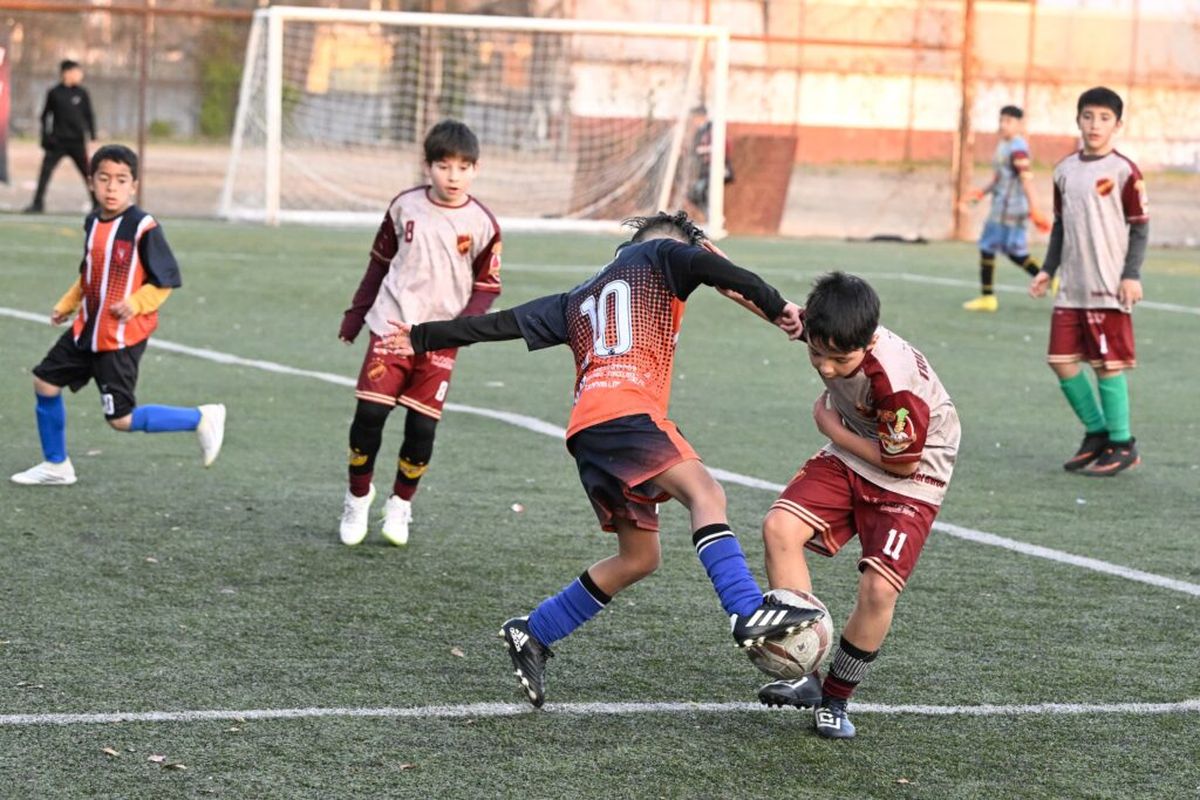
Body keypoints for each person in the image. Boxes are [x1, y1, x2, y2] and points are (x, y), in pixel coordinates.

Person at [380, 210, 824, 708]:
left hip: (588, 431)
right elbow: (717, 270)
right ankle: (746, 611)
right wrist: (778, 305)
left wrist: (421, 336)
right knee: (706, 494)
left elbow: (501, 324)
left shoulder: (576, 298)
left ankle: (535, 631)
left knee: (639, 557)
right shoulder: (663, 254)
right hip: (627, 414)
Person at [754, 272, 960, 740]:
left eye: (839, 359)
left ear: (868, 343)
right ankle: (804, 673)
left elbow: (901, 464)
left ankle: (835, 699)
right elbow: (774, 310)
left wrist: (830, 427)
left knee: (879, 590)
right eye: (816, 353)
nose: (826, 368)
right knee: (780, 527)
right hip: (857, 447)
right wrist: (710, 268)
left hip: (914, 472)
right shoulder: (828, 329)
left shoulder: (896, 384)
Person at [11, 144, 225, 486]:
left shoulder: (143, 227)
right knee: (45, 383)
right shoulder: (93, 221)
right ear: (91, 182)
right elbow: (89, 272)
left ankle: (200, 417)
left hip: (120, 338)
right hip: (86, 329)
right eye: (104, 179)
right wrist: (67, 303)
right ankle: (56, 465)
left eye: (121, 180)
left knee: (121, 419)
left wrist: (136, 303)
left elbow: (165, 281)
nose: (112, 187)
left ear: (134, 186)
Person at [336, 119, 502, 547]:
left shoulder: (483, 223)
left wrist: (462, 328)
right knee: (370, 415)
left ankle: (400, 504)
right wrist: (356, 315)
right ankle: (357, 498)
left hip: (439, 337)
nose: (453, 176)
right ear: (428, 167)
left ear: (476, 169)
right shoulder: (404, 207)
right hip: (391, 325)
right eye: (444, 166)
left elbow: (487, 285)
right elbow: (378, 264)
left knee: (422, 428)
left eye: (463, 167)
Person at [1028, 86, 1147, 476]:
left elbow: (1140, 227)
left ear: (1118, 125)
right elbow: (1060, 226)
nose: (1095, 125)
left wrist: (1131, 275)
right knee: (1060, 361)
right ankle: (1097, 433)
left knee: (1107, 366)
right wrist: (1047, 269)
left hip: (1107, 287)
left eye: (1104, 118)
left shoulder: (1125, 171)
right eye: (1088, 116)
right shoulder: (1064, 170)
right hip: (1071, 288)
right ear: (1078, 120)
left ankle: (1123, 443)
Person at [963, 105, 1052, 312]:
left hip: (1008, 210)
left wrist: (1035, 209)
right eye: (1001, 120)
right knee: (1014, 253)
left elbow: (1026, 180)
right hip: (1002, 207)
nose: (1003, 125)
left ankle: (988, 297)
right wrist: (981, 193)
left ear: (1019, 125)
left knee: (988, 247)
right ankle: (1049, 278)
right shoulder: (1004, 145)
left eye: (1008, 121)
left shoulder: (1018, 149)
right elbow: (999, 178)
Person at [25, 59, 96, 214]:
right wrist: (46, 137)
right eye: (77, 72)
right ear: (66, 73)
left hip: (77, 142)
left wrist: (92, 136)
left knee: (88, 173)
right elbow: (45, 116)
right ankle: (37, 204)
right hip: (58, 141)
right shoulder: (54, 93)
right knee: (45, 172)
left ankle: (96, 204)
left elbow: (89, 115)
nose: (80, 75)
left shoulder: (82, 93)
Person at [685, 106, 734, 213]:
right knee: (694, 194)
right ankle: (711, 215)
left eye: (695, 118)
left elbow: (725, 145)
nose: (693, 121)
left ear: (702, 117)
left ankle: (713, 215)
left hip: (718, 169)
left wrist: (707, 149)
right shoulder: (699, 132)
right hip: (706, 171)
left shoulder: (713, 128)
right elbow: (695, 150)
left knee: (702, 191)